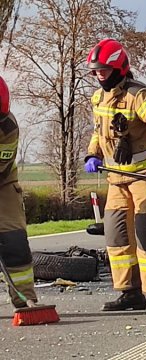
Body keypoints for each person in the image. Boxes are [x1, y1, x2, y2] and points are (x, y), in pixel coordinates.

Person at [83, 38, 146, 313]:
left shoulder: (140, 96)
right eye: (96, 71)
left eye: (103, 70)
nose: (99, 75)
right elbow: (98, 132)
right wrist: (93, 154)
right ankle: (129, 292)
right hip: (117, 179)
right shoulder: (98, 98)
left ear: (119, 68)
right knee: (116, 235)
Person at [0, 76, 49, 310]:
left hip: (3, 184)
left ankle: (25, 300)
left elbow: (2, 166)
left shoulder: (8, 126)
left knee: (14, 242)